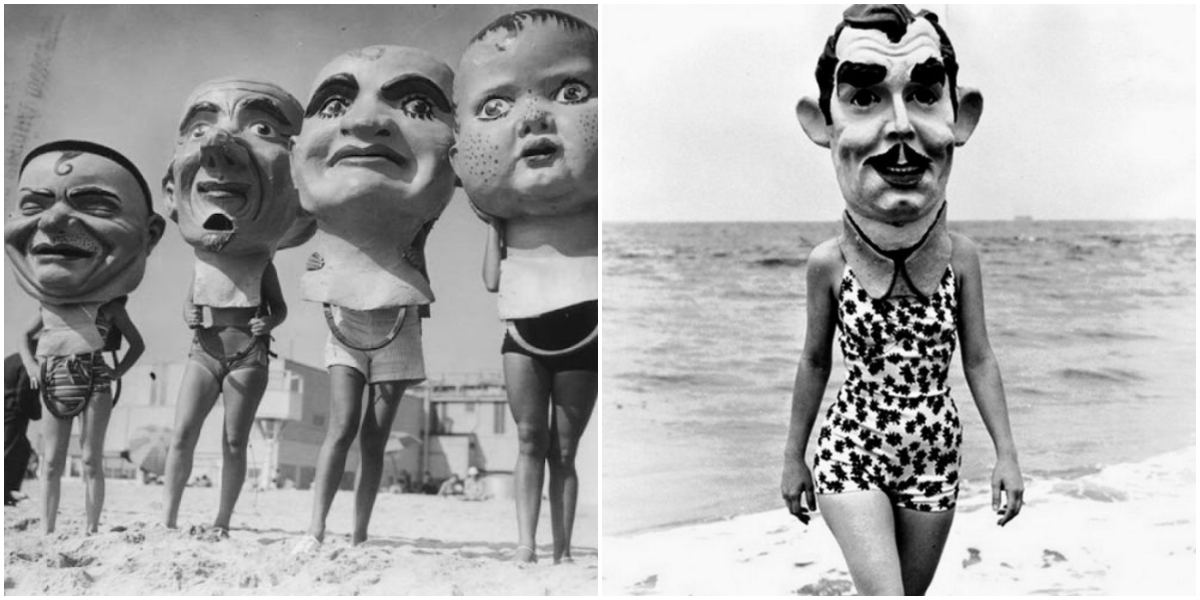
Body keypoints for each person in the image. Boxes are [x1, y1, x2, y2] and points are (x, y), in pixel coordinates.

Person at [781, 5, 1023, 595]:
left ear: (960, 118)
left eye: (923, 94)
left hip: (934, 456)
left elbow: (980, 358)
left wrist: (1008, 455)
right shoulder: (828, 263)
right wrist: (793, 457)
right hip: (852, 447)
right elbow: (814, 361)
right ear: (823, 123)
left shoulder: (962, 258)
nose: (899, 127)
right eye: (863, 98)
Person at [289, 46, 457, 553]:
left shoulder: (418, 217)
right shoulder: (334, 198)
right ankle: (315, 529)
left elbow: (437, 198)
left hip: (399, 325)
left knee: (374, 440)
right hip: (346, 320)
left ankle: (359, 533)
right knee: (339, 427)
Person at [451, 8, 598, 565]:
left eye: (570, 91)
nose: (533, 118)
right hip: (523, 327)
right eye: (498, 106)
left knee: (565, 447)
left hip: (586, 324)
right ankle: (526, 544)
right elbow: (492, 280)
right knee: (530, 440)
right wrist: (493, 225)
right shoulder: (507, 219)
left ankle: (561, 549)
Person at [161, 79, 312, 534]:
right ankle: (167, 518)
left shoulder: (259, 258)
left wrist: (270, 319)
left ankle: (222, 520)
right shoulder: (203, 255)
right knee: (183, 434)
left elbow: (280, 307)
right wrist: (187, 312)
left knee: (233, 440)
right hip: (203, 348)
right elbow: (191, 300)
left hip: (249, 350)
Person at [5, 140, 163, 534]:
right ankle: (47, 526)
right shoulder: (47, 306)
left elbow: (137, 343)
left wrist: (117, 371)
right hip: (52, 373)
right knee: (52, 460)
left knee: (92, 458)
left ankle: (91, 528)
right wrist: (31, 366)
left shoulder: (109, 306)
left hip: (94, 375)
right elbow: (25, 338)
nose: (54, 221)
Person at [5, 353, 41, 505]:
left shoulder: (9, 360)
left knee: (22, 449)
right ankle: (7, 492)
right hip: (13, 414)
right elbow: (24, 393)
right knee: (10, 451)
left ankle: (8, 491)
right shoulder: (29, 363)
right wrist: (36, 412)